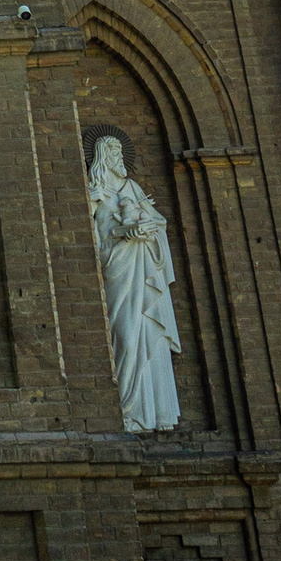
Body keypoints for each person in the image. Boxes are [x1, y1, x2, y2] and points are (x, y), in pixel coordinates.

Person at [87, 134, 181, 432]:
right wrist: (113, 228)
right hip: (116, 268)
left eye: (120, 152)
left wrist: (146, 230)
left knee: (147, 332)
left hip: (143, 269)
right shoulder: (95, 191)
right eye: (112, 152)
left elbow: (159, 223)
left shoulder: (133, 188)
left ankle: (151, 413)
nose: (119, 157)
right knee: (125, 337)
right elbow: (89, 237)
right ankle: (126, 409)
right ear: (102, 156)